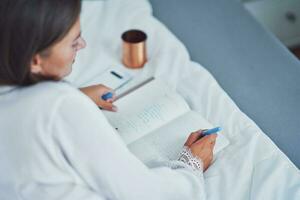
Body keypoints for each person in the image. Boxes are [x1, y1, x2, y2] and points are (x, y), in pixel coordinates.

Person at [0, 0, 217, 199]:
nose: (83, 45)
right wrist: (191, 165)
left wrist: (78, 96)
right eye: (73, 43)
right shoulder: (61, 106)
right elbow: (145, 193)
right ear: (36, 61)